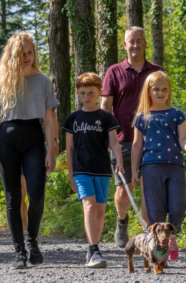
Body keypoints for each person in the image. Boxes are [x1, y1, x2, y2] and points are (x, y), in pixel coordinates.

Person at [0, 32, 59, 269]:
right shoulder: (1, 81)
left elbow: (49, 119)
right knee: (13, 198)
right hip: (7, 142)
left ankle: (32, 240)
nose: (27, 57)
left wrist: (51, 148)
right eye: (22, 53)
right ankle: (19, 253)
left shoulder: (43, 81)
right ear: (13, 55)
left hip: (34, 139)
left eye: (30, 52)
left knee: (37, 194)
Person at [101, 26, 165, 248]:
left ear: (145, 44)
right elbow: (105, 105)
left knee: (150, 191)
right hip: (123, 140)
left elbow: (165, 102)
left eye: (140, 41)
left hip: (152, 141)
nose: (136, 45)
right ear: (125, 45)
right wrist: (107, 135)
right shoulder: (114, 71)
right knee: (124, 193)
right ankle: (122, 220)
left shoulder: (157, 71)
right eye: (132, 41)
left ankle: (150, 238)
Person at [131, 71, 186, 261]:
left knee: (178, 206)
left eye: (164, 89)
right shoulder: (142, 116)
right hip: (150, 167)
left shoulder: (177, 114)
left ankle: (172, 236)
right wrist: (134, 170)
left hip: (175, 166)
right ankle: (158, 249)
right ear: (148, 91)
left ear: (169, 91)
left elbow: (183, 138)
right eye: (156, 89)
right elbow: (136, 145)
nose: (160, 92)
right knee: (156, 211)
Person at [63, 72, 124, 268]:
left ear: (99, 93)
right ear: (78, 94)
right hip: (81, 170)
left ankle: (93, 249)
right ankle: (94, 249)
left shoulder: (106, 117)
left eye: (91, 92)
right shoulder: (73, 118)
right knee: (88, 207)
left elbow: (114, 142)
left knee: (100, 212)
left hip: (103, 170)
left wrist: (119, 162)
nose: (86, 96)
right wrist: (71, 174)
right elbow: (70, 148)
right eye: (82, 93)